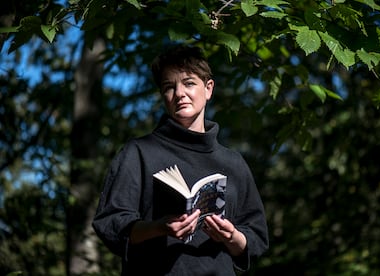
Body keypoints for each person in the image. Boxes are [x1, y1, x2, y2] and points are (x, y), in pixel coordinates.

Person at [92, 45, 269, 275]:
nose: (179, 93)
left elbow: (255, 239)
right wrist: (159, 228)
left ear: (208, 88)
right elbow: (111, 223)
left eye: (189, 83)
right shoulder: (139, 152)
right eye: (169, 87)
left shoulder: (233, 163)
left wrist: (231, 236)